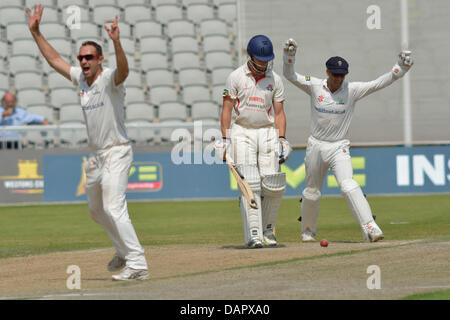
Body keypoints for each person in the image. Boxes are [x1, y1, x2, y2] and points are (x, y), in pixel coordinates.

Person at [27, 5, 149, 280]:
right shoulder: (81, 79)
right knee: (96, 210)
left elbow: (125, 70)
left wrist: (117, 41)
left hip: (117, 151)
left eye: (89, 57)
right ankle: (123, 251)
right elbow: (55, 60)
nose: (83, 62)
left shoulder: (109, 79)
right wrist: (36, 33)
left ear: (99, 59)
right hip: (97, 157)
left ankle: (138, 263)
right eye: (81, 57)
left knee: (114, 207)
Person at [282, 38, 413, 242]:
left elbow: (378, 83)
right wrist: (289, 56)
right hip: (315, 145)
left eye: (342, 75)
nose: (339, 79)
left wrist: (400, 69)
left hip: (338, 146)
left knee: (348, 185)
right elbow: (289, 75)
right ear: (327, 72)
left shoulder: (351, 90)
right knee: (312, 191)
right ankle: (308, 231)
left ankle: (370, 228)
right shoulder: (314, 85)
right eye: (335, 75)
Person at [215, 35, 292, 249]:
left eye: (267, 59)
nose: (264, 63)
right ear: (250, 56)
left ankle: (268, 230)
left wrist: (283, 139)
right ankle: (253, 234)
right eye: (260, 59)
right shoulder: (236, 77)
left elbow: (279, 113)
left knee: (274, 184)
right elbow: (227, 109)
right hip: (243, 130)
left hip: (267, 131)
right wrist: (225, 139)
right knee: (249, 183)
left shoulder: (275, 79)